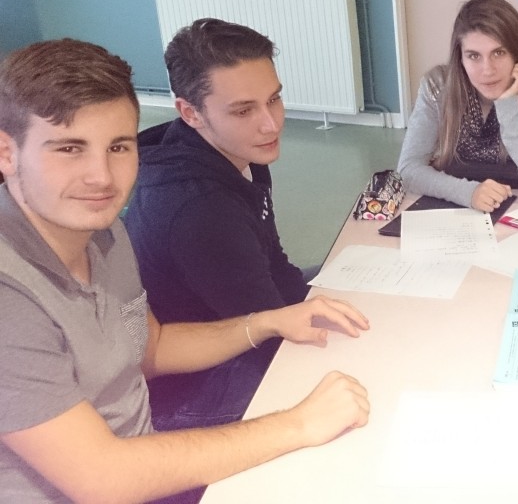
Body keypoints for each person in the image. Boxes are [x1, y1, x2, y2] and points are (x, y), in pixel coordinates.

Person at [0, 38, 370, 503]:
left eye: (118, 146)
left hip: (143, 449)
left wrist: (267, 321)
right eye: (70, 148)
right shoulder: (9, 295)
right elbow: (102, 479)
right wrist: (298, 423)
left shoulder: (103, 233)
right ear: (7, 153)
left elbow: (151, 347)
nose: (102, 177)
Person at [123, 19, 311, 431]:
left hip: (238, 317)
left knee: (340, 296)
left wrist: (314, 304)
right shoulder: (198, 210)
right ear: (191, 113)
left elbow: (273, 260)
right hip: (191, 388)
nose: (271, 123)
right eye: (244, 110)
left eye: (274, 99)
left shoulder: (241, 149)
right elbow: (267, 326)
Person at [397, 0, 518, 212]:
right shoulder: (438, 86)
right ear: (460, 58)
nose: (487, 70)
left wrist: (509, 106)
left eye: (499, 53)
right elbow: (408, 169)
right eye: (473, 56)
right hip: (455, 207)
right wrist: (469, 193)